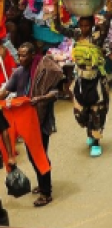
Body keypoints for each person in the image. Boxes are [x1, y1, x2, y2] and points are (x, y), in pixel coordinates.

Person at [0, 42, 64, 207]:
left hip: (42, 119)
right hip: (27, 120)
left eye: (24, 55)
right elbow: (6, 91)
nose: (20, 58)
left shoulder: (44, 70)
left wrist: (40, 99)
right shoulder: (19, 73)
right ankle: (43, 184)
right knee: (31, 155)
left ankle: (46, 192)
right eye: (19, 55)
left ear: (32, 55)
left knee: (39, 154)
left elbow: (55, 92)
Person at [70, 15, 110, 157]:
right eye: (82, 25)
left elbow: (107, 22)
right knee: (80, 113)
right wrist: (56, 6)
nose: (84, 28)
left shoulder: (97, 38)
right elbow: (58, 27)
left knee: (97, 112)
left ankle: (96, 142)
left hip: (96, 80)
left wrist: (109, 5)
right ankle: (90, 131)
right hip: (81, 80)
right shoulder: (76, 36)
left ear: (92, 25)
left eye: (87, 25)